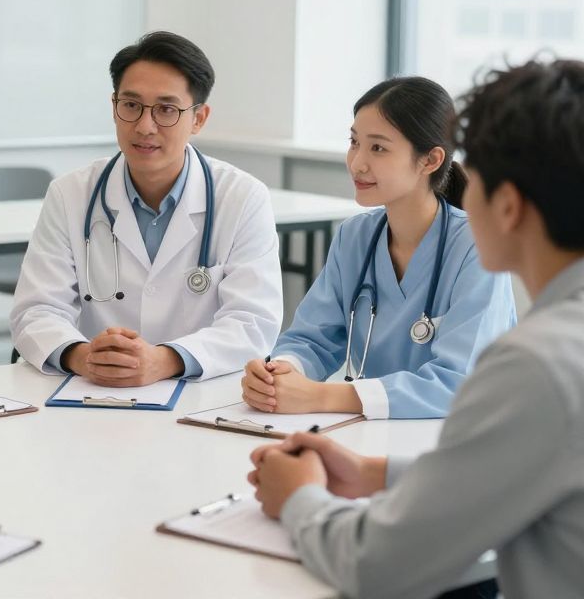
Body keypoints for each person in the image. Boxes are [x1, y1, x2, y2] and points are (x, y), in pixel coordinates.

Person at [248, 58, 584, 599]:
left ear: (508, 205)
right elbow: (511, 465)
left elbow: (376, 565)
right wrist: (374, 472)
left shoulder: (537, 364)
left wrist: (298, 499)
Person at [11, 31, 283, 385]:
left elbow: (252, 322)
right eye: (131, 105)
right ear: (114, 107)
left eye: (167, 109)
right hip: (92, 393)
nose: (144, 126)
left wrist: (165, 360)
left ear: (199, 119)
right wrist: (83, 357)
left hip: (198, 394)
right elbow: (36, 310)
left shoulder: (243, 198)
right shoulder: (70, 194)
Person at [242, 77, 516, 419]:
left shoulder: (477, 248)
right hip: (374, 434)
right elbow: (312, 339)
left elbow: (458, 383)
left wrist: (324, 397)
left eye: (378, 148)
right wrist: (280, 373)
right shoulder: (354, 237)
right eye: (354, 142)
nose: (357, 163)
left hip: (462, 439)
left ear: (430, 160)